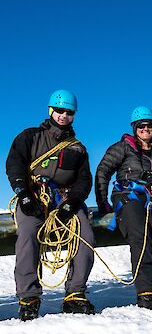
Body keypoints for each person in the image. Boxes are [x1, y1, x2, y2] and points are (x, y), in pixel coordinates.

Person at [6, 89, 95, 320]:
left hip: (65, 200)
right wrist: (24, 194)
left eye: (69, 112)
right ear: (51, 111)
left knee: (86, 236)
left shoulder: (78, 147)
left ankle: (75, 294)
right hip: (35, 196)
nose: (63, 115)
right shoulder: (30, 136)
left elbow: (85, 179)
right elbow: (14, 164)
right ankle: (29, 297)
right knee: (27, 234)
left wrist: (72, 202)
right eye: (59, 111)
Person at [95, 107, 152, 311]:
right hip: (128, 196)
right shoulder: (122, 148)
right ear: (135, 128)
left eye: (149, 125)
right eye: (141, 126)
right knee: (141, 238)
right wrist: (103, 203)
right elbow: (103, 171)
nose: (146, 129)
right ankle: (145, 292)